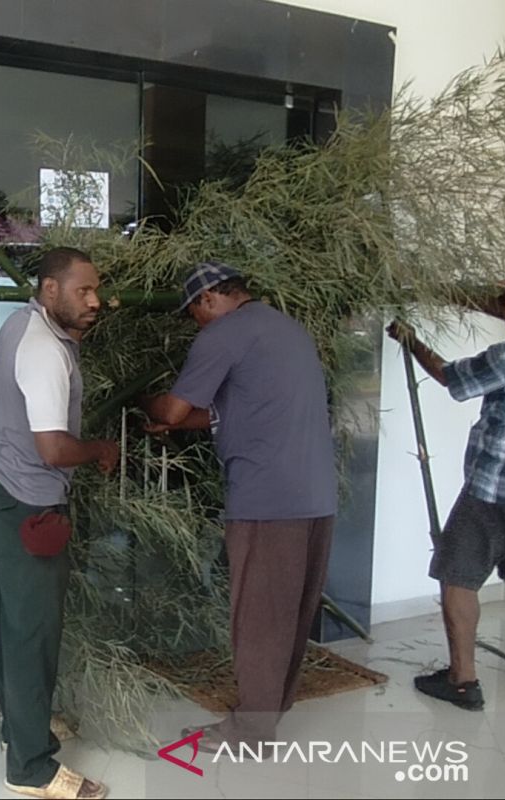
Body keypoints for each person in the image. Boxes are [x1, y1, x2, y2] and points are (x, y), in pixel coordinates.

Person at [142, 260, 337, 747]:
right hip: (316, 496)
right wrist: (181, 419)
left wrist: (147, 404)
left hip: (266, 500)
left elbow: (173, 409)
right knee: (291, 612)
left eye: (194, 314)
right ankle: (271, 707)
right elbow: (232, 412)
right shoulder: (289, 331)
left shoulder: (222, 335)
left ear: (209, 301)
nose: (196, 324)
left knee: (257, 616)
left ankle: (251, 730)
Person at [0, 246, 119, 800]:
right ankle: (32, 767)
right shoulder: (44, 350)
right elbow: (55, 448)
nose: (96, 301)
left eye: (96, 290)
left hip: (0, 490)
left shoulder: (21, 323)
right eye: (83, 291)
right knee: (33, 631)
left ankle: (19, 727)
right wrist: (102, 449)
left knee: (10, 621)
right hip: (30, 503)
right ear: (50, 289)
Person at [387, 260, 505, 711]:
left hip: (497, 492)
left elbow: (454, 379)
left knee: (458, 575)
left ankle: (462, 681)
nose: (503, 308)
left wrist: (411, 341)